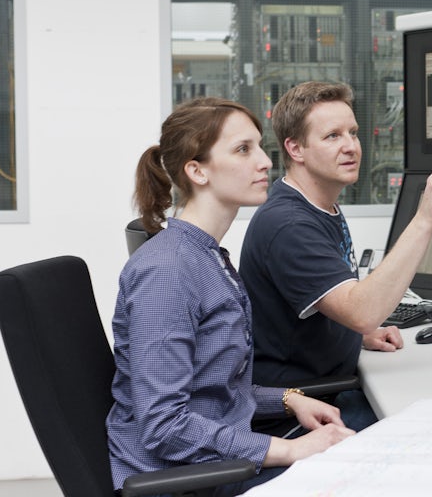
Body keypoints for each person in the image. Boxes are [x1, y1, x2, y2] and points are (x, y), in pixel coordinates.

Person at [106, 97, 354, 497]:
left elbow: (216, 389)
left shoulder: (206, 255)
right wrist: (289, 450)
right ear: (197, 170)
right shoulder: (166, 272)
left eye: (259, 146)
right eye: (243, 149)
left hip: (216, 458)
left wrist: (289, 399)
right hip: (185, 479)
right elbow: (164, 427)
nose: (265, 162)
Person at [239, 81, 432, 432]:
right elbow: (362, 313)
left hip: (323, 389)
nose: (351, 146)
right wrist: (424, 220)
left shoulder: (317, 204)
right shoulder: (289, 225)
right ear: (295, 148)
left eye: (353, 133)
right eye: (332, 136)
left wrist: (354, 337)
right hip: (296, 415)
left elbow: (329, 311)